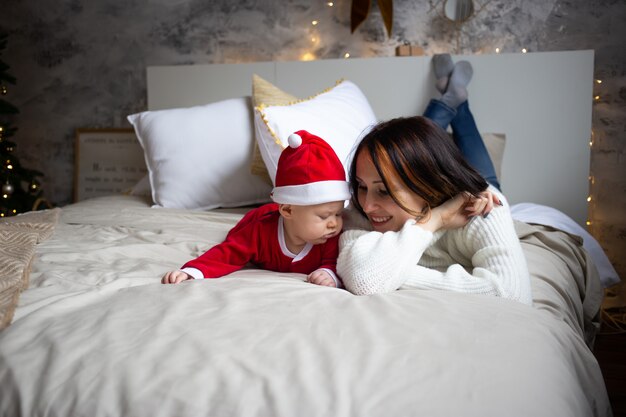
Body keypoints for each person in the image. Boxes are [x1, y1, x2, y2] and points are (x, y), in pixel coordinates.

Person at [336, 55, 533, 305]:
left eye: (384, 191)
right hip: (437, 190)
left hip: (471, 183)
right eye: (362, 186)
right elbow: (364, 279)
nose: (367, 205)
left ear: (428, 185)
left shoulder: (483, 208)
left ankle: (457, 103)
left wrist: (395, 273)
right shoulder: (359, 211)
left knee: (482, 172)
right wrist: (436, 220)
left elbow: (512, 297)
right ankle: (455, 99)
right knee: (411, 146)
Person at [162, 130, 350, 288]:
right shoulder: (260, 232)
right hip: (260, 216)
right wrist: (192, 271)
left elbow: (337, 263)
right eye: (325, 216)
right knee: (238, 235)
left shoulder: (330, 237)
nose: (334, 223)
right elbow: (228, 253)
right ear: (288, 210)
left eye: (338, 213)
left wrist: (328, 273)